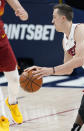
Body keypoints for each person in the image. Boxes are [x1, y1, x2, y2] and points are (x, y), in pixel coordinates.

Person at [0, 0, 28, 130]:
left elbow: (24, 15)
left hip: (1, 39)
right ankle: (2, 117)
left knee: (14, 79)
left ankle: (12, 103)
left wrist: (22, 13)